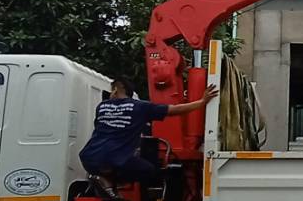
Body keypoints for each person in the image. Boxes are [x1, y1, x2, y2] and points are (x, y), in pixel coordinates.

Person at [79, 77, 219, 185]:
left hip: (89, 158)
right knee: (149, 171)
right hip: (116, 159)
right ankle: (112, 185)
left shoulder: (101, 106)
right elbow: (174, 110)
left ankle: (105, 183)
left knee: (114, 168)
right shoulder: (140, 107)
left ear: (115, 90)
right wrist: (202, 102)